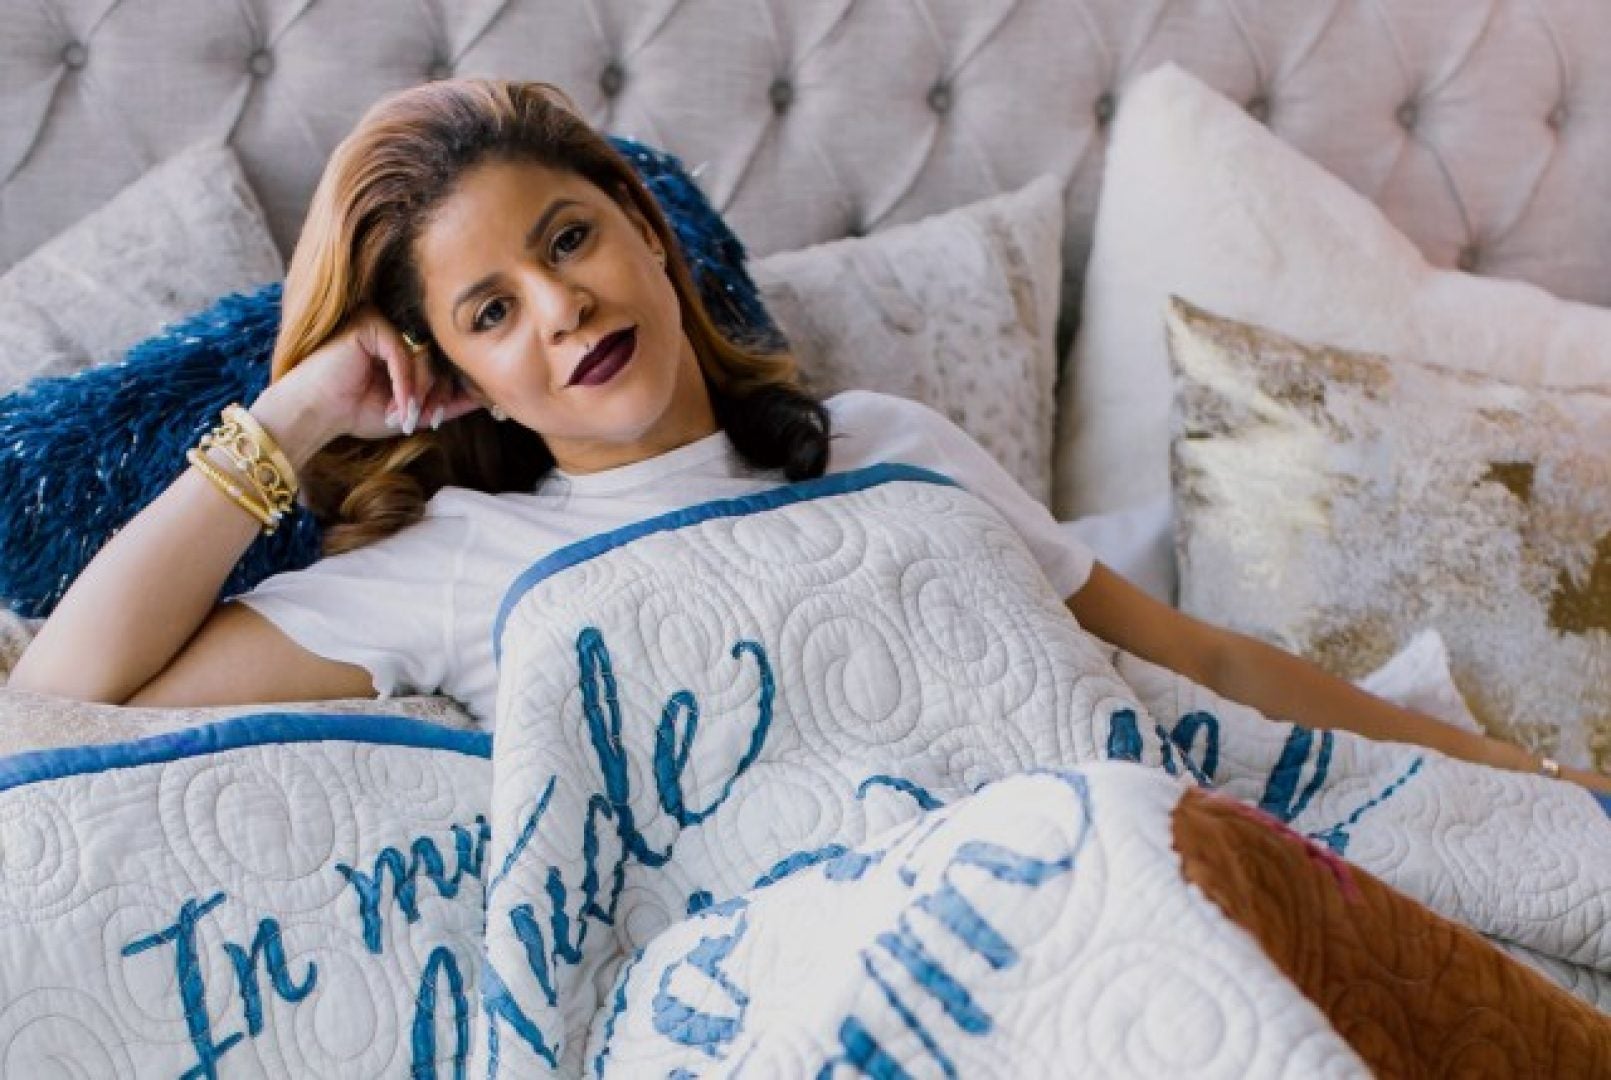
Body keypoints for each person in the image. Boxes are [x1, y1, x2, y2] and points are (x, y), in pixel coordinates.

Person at [11, 78, 1607, 799]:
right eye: (491, 311)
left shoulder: (885, 442)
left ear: (644, 228)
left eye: (568, 240)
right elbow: (66, 699)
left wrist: (1522, 774)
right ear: (458, 377)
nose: (561, 309)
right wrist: (293, 416)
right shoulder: (466, 562)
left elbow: (1195, 662)